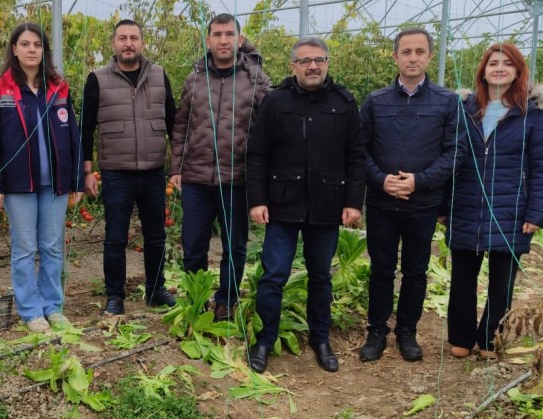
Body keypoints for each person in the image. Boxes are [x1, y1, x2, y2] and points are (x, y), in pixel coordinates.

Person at [245, 37, 366, 374]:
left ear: (327, 63)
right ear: (292, 66)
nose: (313, 66)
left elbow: (356, 155)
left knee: (320, 277)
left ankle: (321, 338)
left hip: (326, 206)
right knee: (273, 276)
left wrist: (354, 201)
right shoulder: (275, 101)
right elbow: (257, 155)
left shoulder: (343, 102)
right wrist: (257, 199)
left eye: (320, 60)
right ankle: (264, 340)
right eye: (306, 60)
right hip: (283, 204)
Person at [443, 42, 543, 360]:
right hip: (466, 204)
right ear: (484, 70)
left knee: (501, 282)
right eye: (493, 63)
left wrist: (537, 212)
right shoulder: (465, 109)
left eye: (507, 63)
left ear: (518, 71)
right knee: (462, 277)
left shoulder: (534, 114)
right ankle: (461, 337)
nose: (499, 68)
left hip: (512, 208)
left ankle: (491, 340)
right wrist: (442, 206)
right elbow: (450, 159)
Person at [359, 28, 464, 362]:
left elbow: (454, 152)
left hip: (423, 203)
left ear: (429, 56)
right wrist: (380, 180)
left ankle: (407, 331)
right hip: (382, 202)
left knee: (416, 270)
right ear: (395, 57)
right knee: (381, 269)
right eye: (407, 52)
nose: (413, 58)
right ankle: (377, 331)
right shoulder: (376, 101)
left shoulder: (446, 102)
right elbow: (360, 150)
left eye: (420, 51)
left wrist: (419, 181)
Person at [170, 13, 271, 322]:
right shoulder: (195, 78)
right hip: (197, 177)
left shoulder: (257, 79)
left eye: (229, 34)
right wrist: (176, 167)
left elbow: (269, 130)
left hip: (237, 179)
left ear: (239, 40)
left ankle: (226, 301)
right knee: (193, 244)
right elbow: (181, 126)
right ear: (208, 40)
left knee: (234, 245)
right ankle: (196, 298)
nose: (223, 40)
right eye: (217, 34)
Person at [0, 23, 84, 333]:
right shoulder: (1, 89)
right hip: (18, 185)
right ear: (14, 49)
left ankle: (53, 307)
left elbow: (74, 137)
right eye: (24, 44)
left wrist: (77, 180)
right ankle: (31, 311)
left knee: (52, 247)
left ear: (44, 51)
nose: (31, 50)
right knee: (25, 248)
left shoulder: (58, 87)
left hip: (54, 184)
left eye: (37, 45)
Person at [81, 20, 177, 315]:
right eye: (122, 38)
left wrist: (178, 167)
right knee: (115, 238)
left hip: (152, 172)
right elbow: (86, 129)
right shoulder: (97, 79)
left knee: (156, 236)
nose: (128, 43)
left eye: (133, 38)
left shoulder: (160, 76)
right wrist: (87, 172)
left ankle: (156, 289)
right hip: (116, 172)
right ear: (114, 44)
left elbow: (173, 124)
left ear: (142, 43)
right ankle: (115, 296)